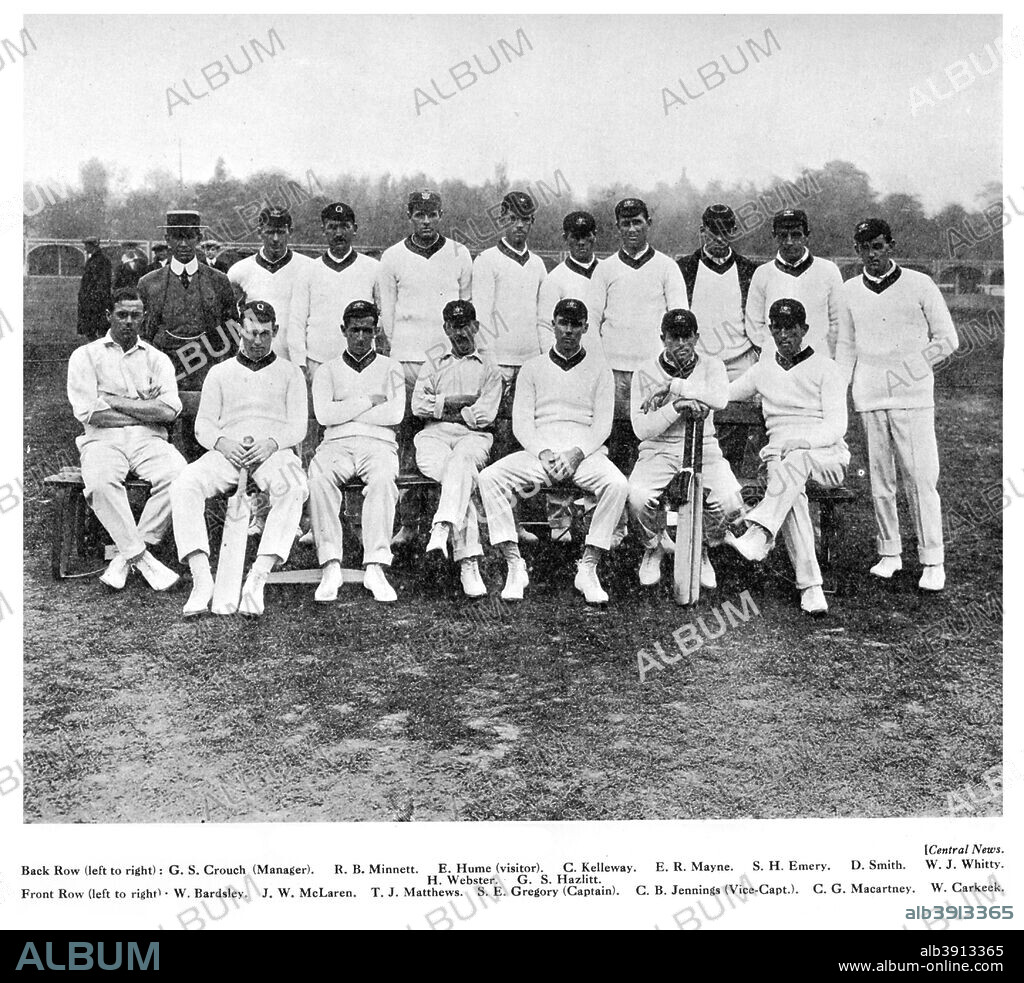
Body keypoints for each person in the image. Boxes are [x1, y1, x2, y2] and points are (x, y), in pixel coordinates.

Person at [478, 298, 628, 605]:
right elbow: (521, 423)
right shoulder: (533, 368)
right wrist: (543, 452)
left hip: (584, 456)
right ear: (552, 325)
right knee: (490, 477)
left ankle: (588, 566)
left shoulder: (600, 370)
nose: (569, 331)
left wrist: (576, 453)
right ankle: (514, 563)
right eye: (563, 323)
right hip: (541, 456)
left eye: (576, 324)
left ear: (586, 327)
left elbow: (602, 425)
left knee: (617, 484)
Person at [836, 218, 959, 591]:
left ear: (890, 245)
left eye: (878, 246)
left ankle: (932, 559)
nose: (872, 255)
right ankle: (889, 553)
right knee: (881, 480)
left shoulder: (920, 284)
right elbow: (845, 345)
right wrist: (840, 389)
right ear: (857, 250)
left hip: (913, 397)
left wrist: (910, 371)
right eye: (865, 248)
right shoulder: (849, 290)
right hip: (869, 397)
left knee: (921, 478)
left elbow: (947, 339)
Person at [171, 300, 308, 618]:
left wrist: (272, 443)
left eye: (264, 333)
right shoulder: (220, 373)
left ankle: (257, 579)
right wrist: (222, 442)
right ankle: (202, 580)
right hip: (227, 455)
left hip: (272, 455)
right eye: (250, 333)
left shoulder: (290, 373)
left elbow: (298, 426)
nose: (257, 340)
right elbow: (203, 425)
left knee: (295, 486)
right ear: (239, 331)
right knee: (185, 484)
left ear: (274, 332)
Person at [724, 299, 850, 615]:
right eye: (777, 328)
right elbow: (721, 393)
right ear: (771, 331)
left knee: (793, 464)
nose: (784, 335)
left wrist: (801, 442)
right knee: (789, 484)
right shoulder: (762, 371)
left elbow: (837, 426)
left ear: (804, 330)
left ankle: (760, 531)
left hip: (826, 460)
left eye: (791, 328)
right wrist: (676, 386)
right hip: (781, 464)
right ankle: (811, 588)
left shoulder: (827, 368)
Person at [66, 287, 185, 591]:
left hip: (150, 440)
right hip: (103, 440)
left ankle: (124, 556)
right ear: (109, 316)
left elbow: (170, 410)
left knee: (181, 476)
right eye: (122, 314)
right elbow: (90, 413)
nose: (129, 321)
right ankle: (142, 558)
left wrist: (112, 399)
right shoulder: (86, 356)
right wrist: (146, 409)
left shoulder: (157, 359)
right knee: (100, 483)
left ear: (144, 317)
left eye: (135, 315)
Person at [377, 189, 473, 545]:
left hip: (446, 364)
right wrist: (403, 355)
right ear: (410, 216)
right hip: (406, 362)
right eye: (419, 215)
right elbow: (387, 315)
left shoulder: (460, 254)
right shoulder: (392, 258)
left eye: (432, 214)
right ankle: (409, 523)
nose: (427, 221)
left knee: (444, 437)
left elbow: (466, 309)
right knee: (406, 443)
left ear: (441, 214)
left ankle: (447, 521)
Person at [627, 309, 742, 590]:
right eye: (673, 337)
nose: (681, 344)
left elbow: (720, 399)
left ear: (696, 337)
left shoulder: (712, 366)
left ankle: (701, 548)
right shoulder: (645, 370)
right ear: (662, 339)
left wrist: (675, 386)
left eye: (686, 337)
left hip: (705, 447)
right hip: (658, 450)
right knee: (637, 498)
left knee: (730, 502)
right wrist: (677, 406)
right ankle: (654, 546)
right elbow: (642, 429)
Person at [308, 301, 405, 604]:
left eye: (367, 330)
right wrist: (369, 400)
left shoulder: (392, 367)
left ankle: (375, 565)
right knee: (319, 478)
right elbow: (324, 415)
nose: (361, 337)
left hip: (379, 444)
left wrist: (346, 411)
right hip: (336, 444)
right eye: (354, 330)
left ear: (376, 331)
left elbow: (396, 414)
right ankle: (330, 565)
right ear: (343, 331)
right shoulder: (327, 370)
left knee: (383, 479)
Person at [412, 300, 503, 598]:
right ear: (446, 328)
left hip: (473, 438)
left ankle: (442, 529)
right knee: (462, 476)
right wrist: (457, 404)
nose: (460, 332)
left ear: (476, 326)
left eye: (466, 325)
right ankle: (468, 562)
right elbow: (417, 406)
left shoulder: (489, 367)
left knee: (462, 463)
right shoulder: (434, 362)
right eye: (454, 326)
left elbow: (485, 415)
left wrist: (439, 406)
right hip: (433, 438)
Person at [138, 210, 238, 460]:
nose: (183, 244)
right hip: (165, 369)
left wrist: (221, 366)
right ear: (167, 239)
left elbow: (232, 330)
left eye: (189, 237)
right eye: (176, 237)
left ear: (199, 237)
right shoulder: (149, 283)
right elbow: (143, 335)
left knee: (202, 439)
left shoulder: (218, 281)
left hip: (206, 367)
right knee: (160, 441)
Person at [287, 202, 380, 379]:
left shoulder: (373, 268)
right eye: (332, 227)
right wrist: (299, 363)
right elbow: (296, 322)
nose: (339, 234)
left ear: (355, 229)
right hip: (318, 363)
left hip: (363, 364)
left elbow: (383, 316)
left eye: (345, 227)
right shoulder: (308, 270)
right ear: (323, 230)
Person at [745, 209, 846, 360]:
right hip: (777, 364)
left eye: (796, 235)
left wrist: (823, 353)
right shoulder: (762, 273)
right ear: (774, 236)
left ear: (807, 236)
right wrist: (777, 352)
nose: (789, 242)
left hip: (818, 362)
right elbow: (754, 325)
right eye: (783, 235)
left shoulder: (828, 270)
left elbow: (839, 321)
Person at [229, 206, 312, 362]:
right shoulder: (239, 271)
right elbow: (230, 320)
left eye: (280, 232)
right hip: (253, 360)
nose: (275, 239)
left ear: (290, 231)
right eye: (269, 232)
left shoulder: (308, 267)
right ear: (260, 232)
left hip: (295, 361)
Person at [537, 210, 601, 344]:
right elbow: (545, 327)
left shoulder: (608, 271)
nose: (581, 242)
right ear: (565, 238)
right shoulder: (554, 279)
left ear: (594, 236)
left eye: (586, 236)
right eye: (575, 237)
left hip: (607, 359)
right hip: (571, 359)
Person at [77, 237, 112, 341]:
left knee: (97, 327)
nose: (85, 248)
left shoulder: (102, 261)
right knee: (90, 328)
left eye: (87, 245)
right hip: (91, 298)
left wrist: (94, 296)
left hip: (96, 299)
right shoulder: (93, 260)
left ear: (93, 246)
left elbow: (103, 281)